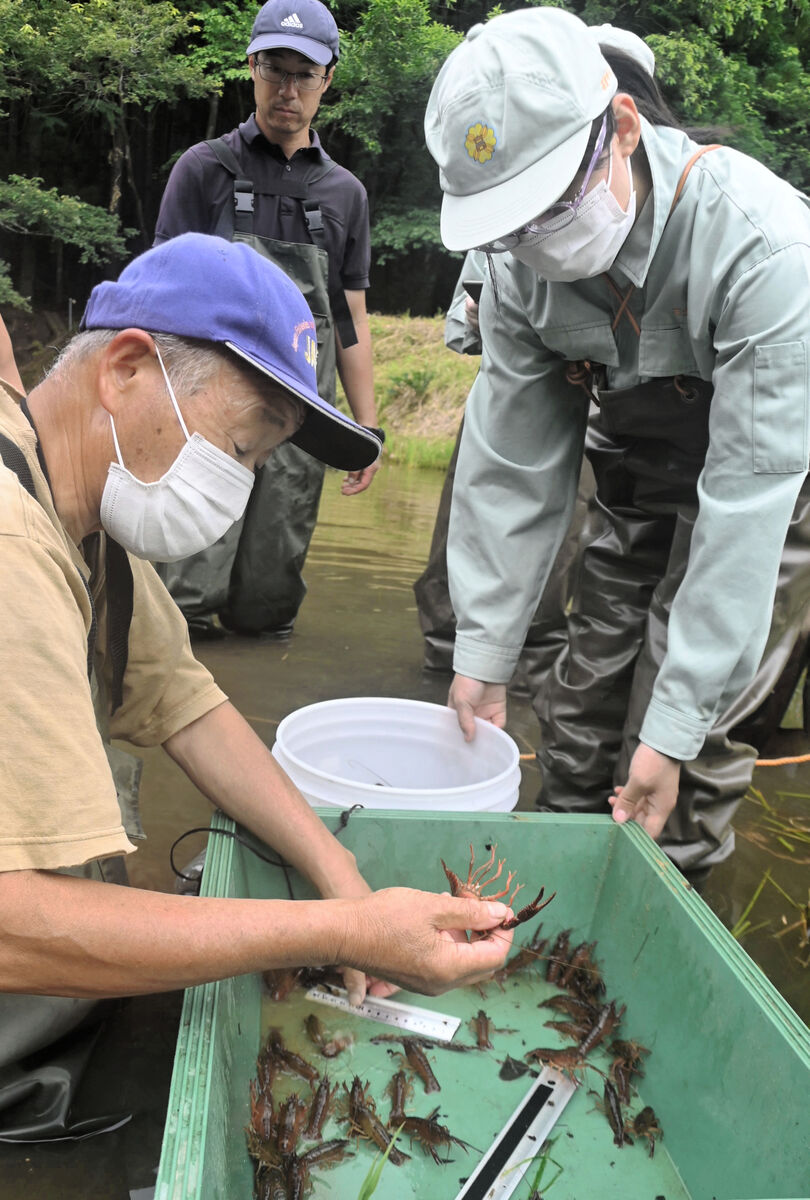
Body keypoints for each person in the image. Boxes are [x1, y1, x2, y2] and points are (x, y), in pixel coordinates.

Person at [0, 233, 512, 1140]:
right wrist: (338, 935)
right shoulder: (10, 546)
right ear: (125, 369)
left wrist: (337, 873)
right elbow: (9, 922)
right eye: (240, 445)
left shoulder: (81, 511)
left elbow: (187, 702)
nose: (241, 485)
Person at [423, 8, 810, 883]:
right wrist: (485, 654)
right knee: (580, 700)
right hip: (636, 470)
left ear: (624, 129)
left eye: (554, 206)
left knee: (688, 749)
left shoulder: (762, 246)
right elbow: (514, 466)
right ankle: (550, 888)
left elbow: (746, 506)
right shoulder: (519, 270)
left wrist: (672, 731)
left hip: (773, 492)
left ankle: (665, 900)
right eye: (513, 224)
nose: (540, 244)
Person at [153, 0, 383, 640]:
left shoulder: (346, 194)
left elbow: (350, 318)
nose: (287, 90)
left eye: (303, 75)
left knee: (267, 600)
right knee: (186, 597)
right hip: (208, 406)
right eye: (273, 71)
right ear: (250, 68)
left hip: (302, 414)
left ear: (327, 80)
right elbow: (162, 300)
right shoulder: (204, 169)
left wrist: (365, 428)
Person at [413, 249, 594, 693]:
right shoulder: (493, 228)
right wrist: (478, 316)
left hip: (589, 405)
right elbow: (457, 327)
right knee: (456, 536)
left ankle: (528, 677)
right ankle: (442, 667)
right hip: (501, 398)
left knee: (557, 552)